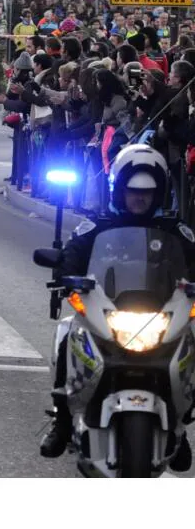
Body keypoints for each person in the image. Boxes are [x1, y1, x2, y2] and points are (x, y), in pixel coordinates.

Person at [38, 144, 195, 470]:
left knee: (192, 339)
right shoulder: (96, 227)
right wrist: (67, 272)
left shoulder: (176, 231)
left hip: (161, 313)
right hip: (109, 310)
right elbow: (72, 254)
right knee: (68, 330)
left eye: (147, 193)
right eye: (133, 191)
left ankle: (179, 424)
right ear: (119, 190)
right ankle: (63, 420)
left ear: (159, 193)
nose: (139, 198)